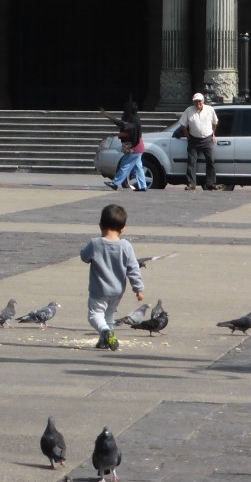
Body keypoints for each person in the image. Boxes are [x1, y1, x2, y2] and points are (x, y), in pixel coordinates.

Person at [80, 203, 144, 351]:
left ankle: (105, 332)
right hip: (117, 291)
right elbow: (133, 268)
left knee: (95, 315)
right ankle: (105, 340)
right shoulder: (126, 246)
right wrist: (138, 288)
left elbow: (84, 257)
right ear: (123, 229)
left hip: (99, 290)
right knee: (109, 314)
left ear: (100, 225)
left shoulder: (95, 243)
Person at [179, 91, 219, 190]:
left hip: (207, 139)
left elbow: (214, 122)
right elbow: (183, 125)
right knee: (191, 162)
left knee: (210, 161)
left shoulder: (210, 109)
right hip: (193, 139)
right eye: (196, 101)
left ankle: (210, 183)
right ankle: (191, 184)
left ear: (203, 101)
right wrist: (187, 136)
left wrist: (213, 134)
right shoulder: (189, 110)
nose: (198, 103)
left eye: (199, 101)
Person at [108, 98, 147, 191]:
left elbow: (128, 131)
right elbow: (123, 125)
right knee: (138, 167)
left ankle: (115, 183)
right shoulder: (133, 118)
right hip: (136, 146)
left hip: (134, 146)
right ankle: (143, 186)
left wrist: (119, 134)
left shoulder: (133, 120)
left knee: (125, 165)